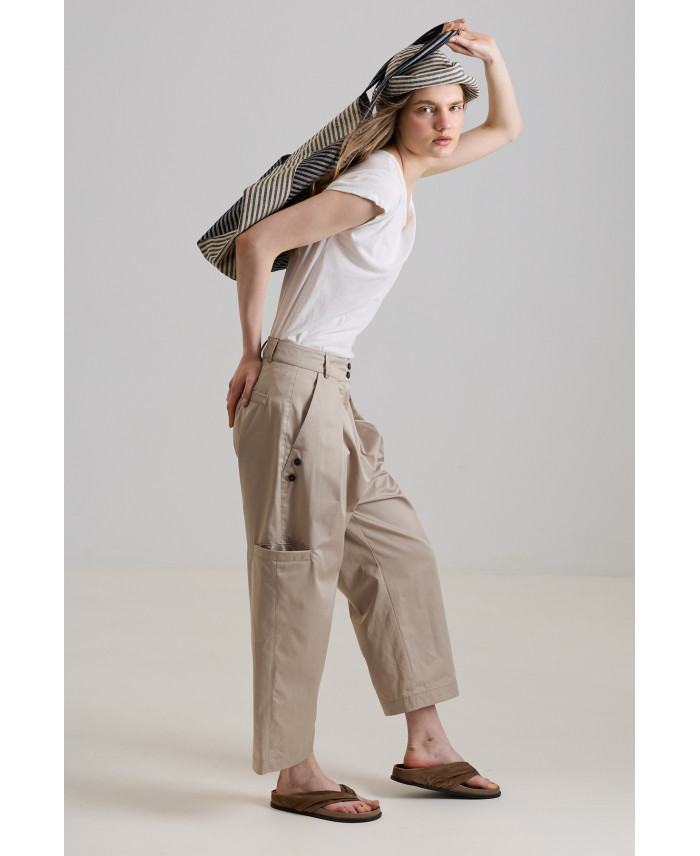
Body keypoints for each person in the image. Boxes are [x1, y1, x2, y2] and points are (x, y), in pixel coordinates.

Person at [224, 18, 524, 822]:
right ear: (398, 116)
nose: (446, 123)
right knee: (296, 575)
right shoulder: (380, 181)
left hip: (332, 392)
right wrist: (251, 353)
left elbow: (506, 128)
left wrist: (493, 59)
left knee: (399, 555)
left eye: (452, 107)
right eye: (427, 109)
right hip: (296, 387)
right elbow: (257, 241)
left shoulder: (411, 171)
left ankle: (425, 745)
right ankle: (295, 771)